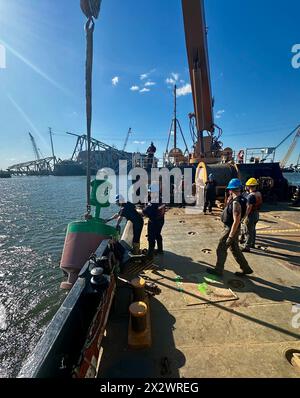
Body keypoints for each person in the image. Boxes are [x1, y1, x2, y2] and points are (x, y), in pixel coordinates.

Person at [207, 178, 253, 277]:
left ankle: (218, 270)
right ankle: (246, 268)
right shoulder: (243, 199)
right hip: (234, 228)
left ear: (231, 189)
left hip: (230, 229)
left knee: (221, 248)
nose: (228, 191)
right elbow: (242, 215)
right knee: (235, 249)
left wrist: (230, 237)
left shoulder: (236, 203)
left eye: (229, 189)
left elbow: (236, 220)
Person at [143, 185, 166, 259]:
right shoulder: (161, 199)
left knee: (151, 237)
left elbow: (145, 211)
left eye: (150, 192)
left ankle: (150, 254)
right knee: (158, 234)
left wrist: (137, 210)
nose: (149, 194)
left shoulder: (153, 202)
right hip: (161, 220)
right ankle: (160, 250)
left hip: (154, 222)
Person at [242, 178, 263, 252]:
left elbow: (249, 208)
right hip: (256, 214)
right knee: (253, 230)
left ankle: (246, 247)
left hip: (250, 215)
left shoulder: (251, 196)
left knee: (248, 231)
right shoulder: (258, 193)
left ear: (249, 186)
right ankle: (252, 244)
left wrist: (244, 216)